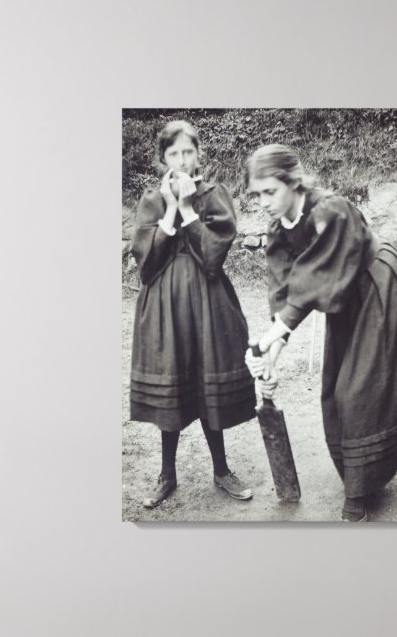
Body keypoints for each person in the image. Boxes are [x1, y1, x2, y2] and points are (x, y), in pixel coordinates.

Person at [244, 144, 397, 522]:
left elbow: (315, 283)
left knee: (361, 391)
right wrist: (270, 358)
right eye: (257, 195)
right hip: (343, 299)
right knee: (335, 390)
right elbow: (286, 296)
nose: (263, 202)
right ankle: (361, 477)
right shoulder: (278, 229)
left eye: (270, 191)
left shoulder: (330, 211)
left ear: (293, 181)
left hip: (376, 288)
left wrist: (271, 337)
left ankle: (358, 493)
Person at [129, 120, 256, 509]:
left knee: (206, 381)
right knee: (172, 383)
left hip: (207, 304)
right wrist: (170, 208)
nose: (182, 161)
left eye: (188, 152)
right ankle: (167, 475)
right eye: (173, 153)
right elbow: (147, 267)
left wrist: (187, 208)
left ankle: (222, 470)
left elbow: (214, 257)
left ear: (199, 154)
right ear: (162, 158)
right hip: (164, 308)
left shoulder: (215, 196)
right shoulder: (151, 200)